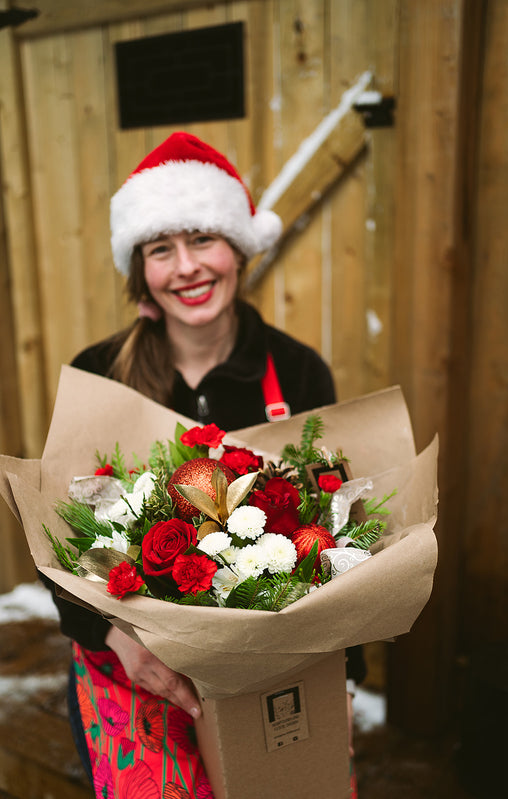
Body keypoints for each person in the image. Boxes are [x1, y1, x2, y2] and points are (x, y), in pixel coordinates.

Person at [42, 132, 365, 798]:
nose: (186, 267)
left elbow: (343, 537)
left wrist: (344, 675)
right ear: (142, 273)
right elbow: (60, 535)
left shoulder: (298, 371)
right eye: (161, 249)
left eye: (202, 240)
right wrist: (112, 635)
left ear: (238, 250)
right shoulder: (99, 375)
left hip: (274, 669)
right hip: (132, 664)